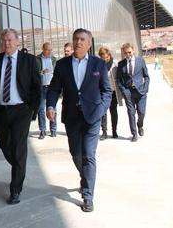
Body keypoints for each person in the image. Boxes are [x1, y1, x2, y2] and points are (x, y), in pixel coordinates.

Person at [46, 28, 112, 212]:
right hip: (72, 117)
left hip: (93, 117)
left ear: (89, 44)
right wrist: (50, 106)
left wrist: (100, 110)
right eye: (76, 39)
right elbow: (53, 90)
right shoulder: (62, 65)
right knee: (76, 154)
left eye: (82, 39)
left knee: (88, 154)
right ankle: (86, 179)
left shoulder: (98, 65)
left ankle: (88, 195)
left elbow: (107, 91)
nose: (78, 42)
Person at [0, 29, 41, 204]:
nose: (6, 43)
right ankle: (18, 165)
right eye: (4, 41)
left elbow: (37, 87)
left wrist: (33, 109)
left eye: (10, 40)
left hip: (22, 110)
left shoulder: (29, 61)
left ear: (17, 42)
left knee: (19, 146)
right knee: (5, 145)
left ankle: (15, 189)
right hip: (1, 110)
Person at [116, 43, 149, 142]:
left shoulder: (140, 61)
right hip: (128, 92)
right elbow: (118, 79)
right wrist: (123, 90)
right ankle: (134, 134)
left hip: (141, 92)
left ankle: (140, 125)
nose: (128, 55)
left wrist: (145, 88)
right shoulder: (121, 64)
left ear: (133, 50)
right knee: (131, 113)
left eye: (129, 52)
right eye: (125, 53)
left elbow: (146, 76)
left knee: (141, 112)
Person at [98, 47, 123, 140]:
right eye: (103, 57)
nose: (105, 59)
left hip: (113, 92)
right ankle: (104, 132)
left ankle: (114, 131)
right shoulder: (98, 65)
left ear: (109, 55)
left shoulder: (115, 64)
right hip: (102, 93)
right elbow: (95, 76)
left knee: (113, 112)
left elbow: (120, 77)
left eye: (107, 57)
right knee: (103, 113)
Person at [36, 42, 57, 139]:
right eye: (47, 50)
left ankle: (53, 129)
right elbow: (33, 74)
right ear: (43, 49)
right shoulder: (37, 59)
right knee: (41, 109)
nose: (49, 52)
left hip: (52, 87)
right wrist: (41, 72)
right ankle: (43, 130)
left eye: (50, 50)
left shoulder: (54, 59)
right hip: (41, 87)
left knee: (53, 108)